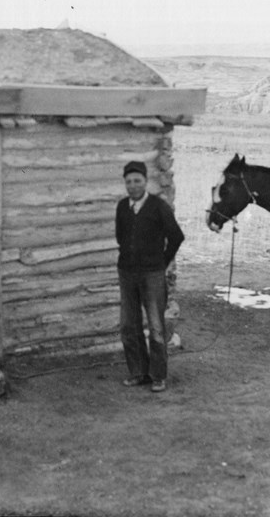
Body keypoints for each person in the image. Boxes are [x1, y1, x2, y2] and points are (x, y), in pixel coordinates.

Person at [116, 160, 184, 393]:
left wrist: (162, 263)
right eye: (129, 182)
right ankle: (138, 373)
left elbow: (176, 236)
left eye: (137, 181)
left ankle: (158, 376)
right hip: (127, 274)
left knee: (156, 327)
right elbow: (120, 237)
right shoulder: (122, 207)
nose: (133, 185)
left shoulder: (158, 206)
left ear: (145, 182)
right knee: (129, 325)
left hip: (152, 275)